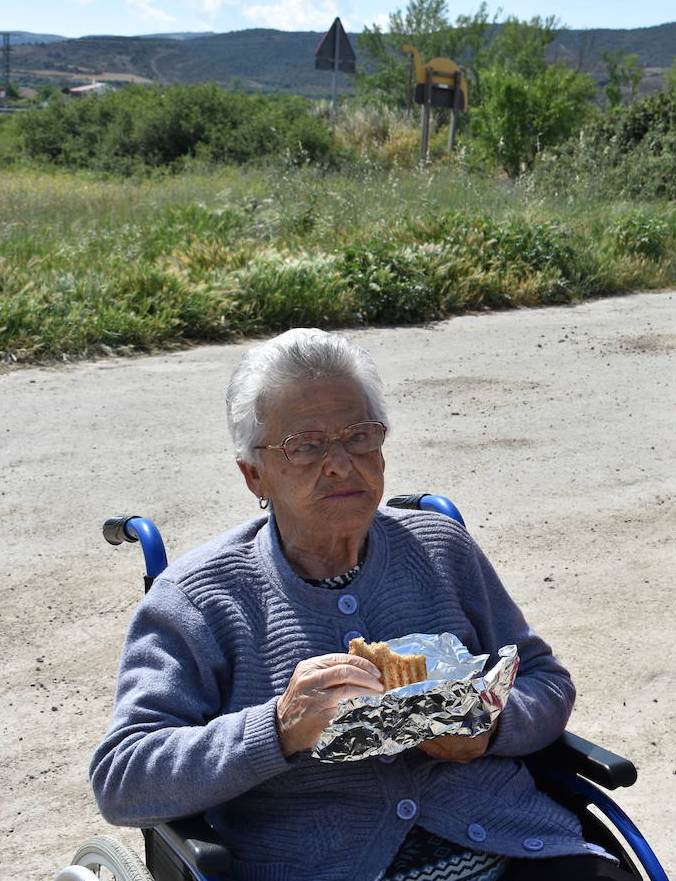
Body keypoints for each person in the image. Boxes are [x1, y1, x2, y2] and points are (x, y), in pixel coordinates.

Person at [92, 328, 631, 881]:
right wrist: (277, 729)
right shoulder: (201, 598)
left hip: (512, 847)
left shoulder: (439, 548)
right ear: (254, 474)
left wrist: (489, 728)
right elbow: (123, 777)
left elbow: (544, 678)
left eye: (358, 436)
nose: (340, 464)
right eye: (304, 446)